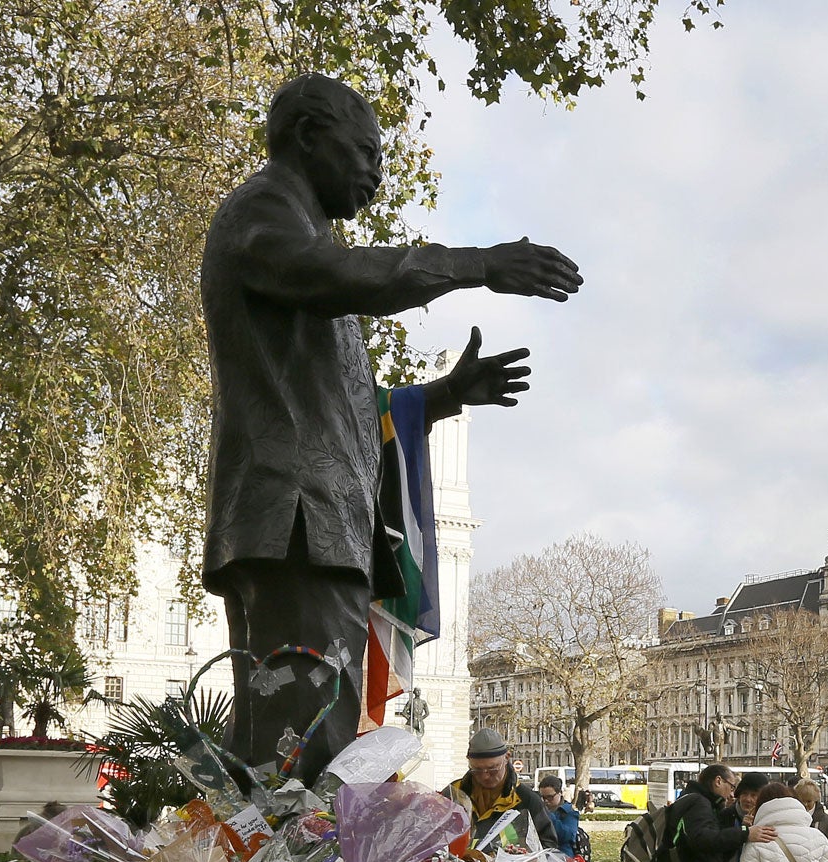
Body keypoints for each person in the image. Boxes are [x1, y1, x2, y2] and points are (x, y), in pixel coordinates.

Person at [201, 74, 578, 778]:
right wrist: (480, 264)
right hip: (296, 524)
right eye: (366, 150)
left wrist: (441, 396)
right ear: (311, 136)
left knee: (302, 745)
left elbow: (344, 406)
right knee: (306, 754)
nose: (377, 169)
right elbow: (350, 275)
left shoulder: (300, 241)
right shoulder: (265, 214)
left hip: (312, 526)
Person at [448, 729, 556, 849]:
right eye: (477, 770)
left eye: (493, 769)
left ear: (507, 757)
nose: (485, 776)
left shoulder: (527, 800)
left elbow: (549, 847)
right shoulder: (453, 794)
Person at [538, 775, 583, 860]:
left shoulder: (569, 812)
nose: (546, 801)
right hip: (543, 856)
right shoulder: (539, 811)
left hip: (563, 858)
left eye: (550, 797)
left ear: (560, 793)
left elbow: (567, 836)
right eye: (543, 797)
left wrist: (547, 814)